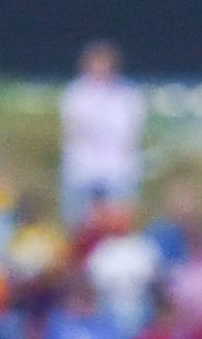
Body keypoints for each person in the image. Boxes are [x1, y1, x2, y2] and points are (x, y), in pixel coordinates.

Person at [59, 43, 144, 225]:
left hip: (118, 172)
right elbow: (75, 130)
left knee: (116, 225)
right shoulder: (76, 93)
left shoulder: (128, 95)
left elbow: (130, 133)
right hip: (82, 171)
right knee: (78, 225)